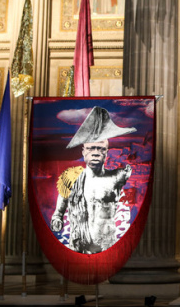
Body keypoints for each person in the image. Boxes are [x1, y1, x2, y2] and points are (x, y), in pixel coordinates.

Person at [51, 107, 135, 254]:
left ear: (106, 152)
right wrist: (57, 219)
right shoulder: (71, 179)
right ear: (83, 151)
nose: (95, 153)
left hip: (107, 246)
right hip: (78, 246)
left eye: (100, 149)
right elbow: (59, 211)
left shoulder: (118, 176)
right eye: (91, 148)